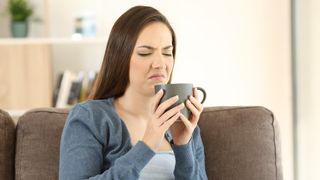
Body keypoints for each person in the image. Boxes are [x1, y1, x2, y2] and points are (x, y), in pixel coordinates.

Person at [59, 5, 208, 180]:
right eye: (145, 53)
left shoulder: (187, 127)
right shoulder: (90, 118)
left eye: (167, 52)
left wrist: (183, 146)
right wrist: (147, 144)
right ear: (120, 57)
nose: (160, 64)